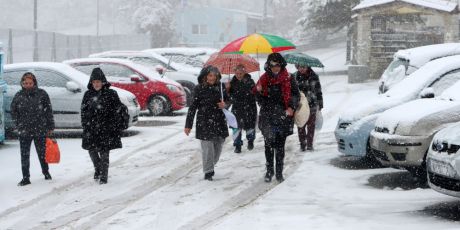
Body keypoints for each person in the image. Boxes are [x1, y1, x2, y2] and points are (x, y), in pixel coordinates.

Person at [185, 65, 229, 181]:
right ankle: (208, 171)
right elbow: (193, 107)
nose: (212, 78)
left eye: (214, 75)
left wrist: (225, 104)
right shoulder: (198, 88)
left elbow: (229, 100)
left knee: (218, 146)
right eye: (210, 75)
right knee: (207, 147)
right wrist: (188, 125)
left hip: (219, 121)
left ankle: (210, 164)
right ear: (205, 76)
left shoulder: (221, 87)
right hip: (204, 121)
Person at [255, 53, 293, 183]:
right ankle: (269, 171)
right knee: (269, 145)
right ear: (268, 65)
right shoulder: (263, 79)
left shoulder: (288, 78)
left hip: (283, 115)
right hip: (267, 116)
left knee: (280, 145)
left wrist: (291, 107)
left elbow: (295, 95)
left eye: (278, 65)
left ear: (281, 65)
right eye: (273, 65)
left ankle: (279, 172)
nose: (276, 68)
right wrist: (259, 92)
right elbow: (259, 99)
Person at [11, 72, 55, 186]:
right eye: (25, 83)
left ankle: (46, 172)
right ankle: (26, 178)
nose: (28, 85)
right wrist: (18, 124)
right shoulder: (18, 95)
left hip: (40, 129)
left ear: (34, 82)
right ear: (22, 83)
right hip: (24, 130)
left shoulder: (42, 94)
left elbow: (48, 111)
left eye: (30, 83)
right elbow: (13, 111)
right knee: (24, 155)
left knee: (42, 153)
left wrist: (50, 126)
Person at [81, 68, 123, 184]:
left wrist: (115, 124)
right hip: (91, 128)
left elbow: (118, 109)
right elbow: (83, 111)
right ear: (91, 83)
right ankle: (98, 169)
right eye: (94, 82)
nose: (96, 84)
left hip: (106, 128)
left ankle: (104, 176)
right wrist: (85, 125)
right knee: (92, 151)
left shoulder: (111, 94)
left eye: (98, 82)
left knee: (104, 153)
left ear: (103, 82)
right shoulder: (88, 94)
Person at [225, 64, 257, 153]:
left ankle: (250, 141)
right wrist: (227, 89)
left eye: (241, 73)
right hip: (237, 108)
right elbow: (228, 97)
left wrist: (255, 90)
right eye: (237, 73)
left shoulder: (250, 81)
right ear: (234, 73)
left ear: (244, 72)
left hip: (249, 108)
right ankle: (237, 145)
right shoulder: (232, 83)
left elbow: (254, 93)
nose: (238, 75)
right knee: (236, 128)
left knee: (250, 126)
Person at [294, 64, 323, 151]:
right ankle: (302, 144)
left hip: (312, 104)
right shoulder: (294, 76)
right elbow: (292, 91)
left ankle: (309, 144)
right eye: (300, 67)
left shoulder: (314, 76)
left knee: (311, 126)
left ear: (308, 67)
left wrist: (320, 103)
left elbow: (318, 91)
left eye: (304, 67)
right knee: (301, 125)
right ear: (297, 67)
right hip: (300, 105)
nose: (302, 69)